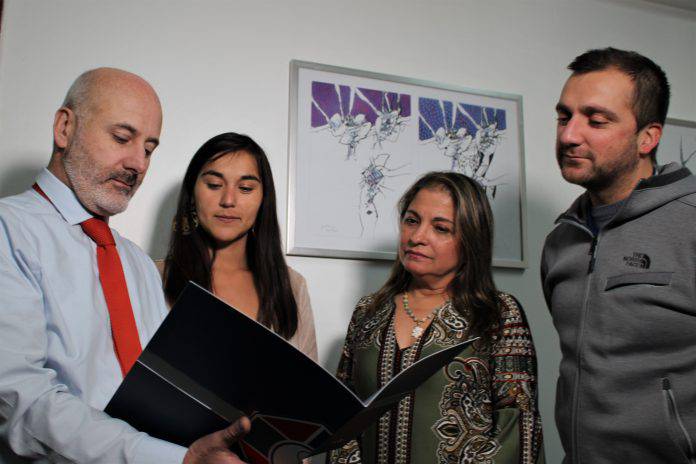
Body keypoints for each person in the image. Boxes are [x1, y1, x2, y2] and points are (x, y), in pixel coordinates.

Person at [0, 68, 250, 463]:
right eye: (121, 138)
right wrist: (175, 459)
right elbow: (21, 401)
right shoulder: (7, 231)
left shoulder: (138, 263)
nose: (138, 163)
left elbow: (161, 393)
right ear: (64, 128)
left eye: (149, 149)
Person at [542, 47, 696, 463]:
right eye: (564, 117)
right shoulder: (560, 240)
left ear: (648, 137)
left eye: (596, 120)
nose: (569, 135)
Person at [331, 172, 544, 464]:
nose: (417, 237)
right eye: (411, 220)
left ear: (471, 239)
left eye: (441, 228)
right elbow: (341, 416)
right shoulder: (369, 311)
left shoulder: (498, 314)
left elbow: (519, 425)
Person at [161, 133, 317, 360]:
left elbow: (308, 379)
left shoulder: (292, 286)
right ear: (192, 193)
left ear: (263, 199)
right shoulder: (152, 277)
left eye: (245, 188)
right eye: (214, 185)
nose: (228, 200)